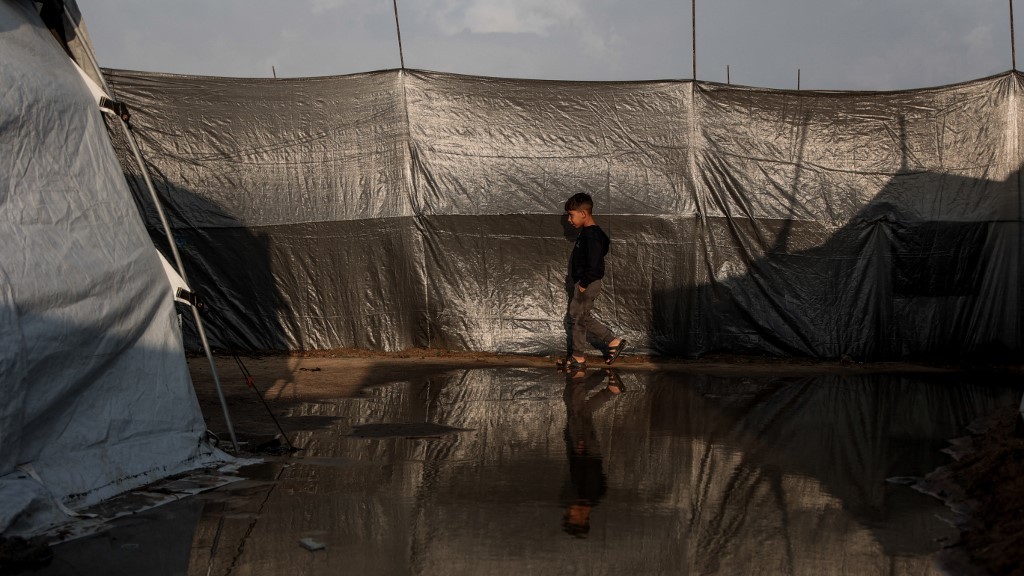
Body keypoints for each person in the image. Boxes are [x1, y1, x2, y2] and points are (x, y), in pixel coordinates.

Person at [559, 193, 626, 371]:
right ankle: (613, 341)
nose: (569, 219)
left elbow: (596, 266)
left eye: (571, 215)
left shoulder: (592, 236)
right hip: (584, 281)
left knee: (577, 318)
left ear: (583, 213)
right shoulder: (590, 234)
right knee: (581, 317)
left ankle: (578, 357)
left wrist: (583, 282)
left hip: (587, 283)